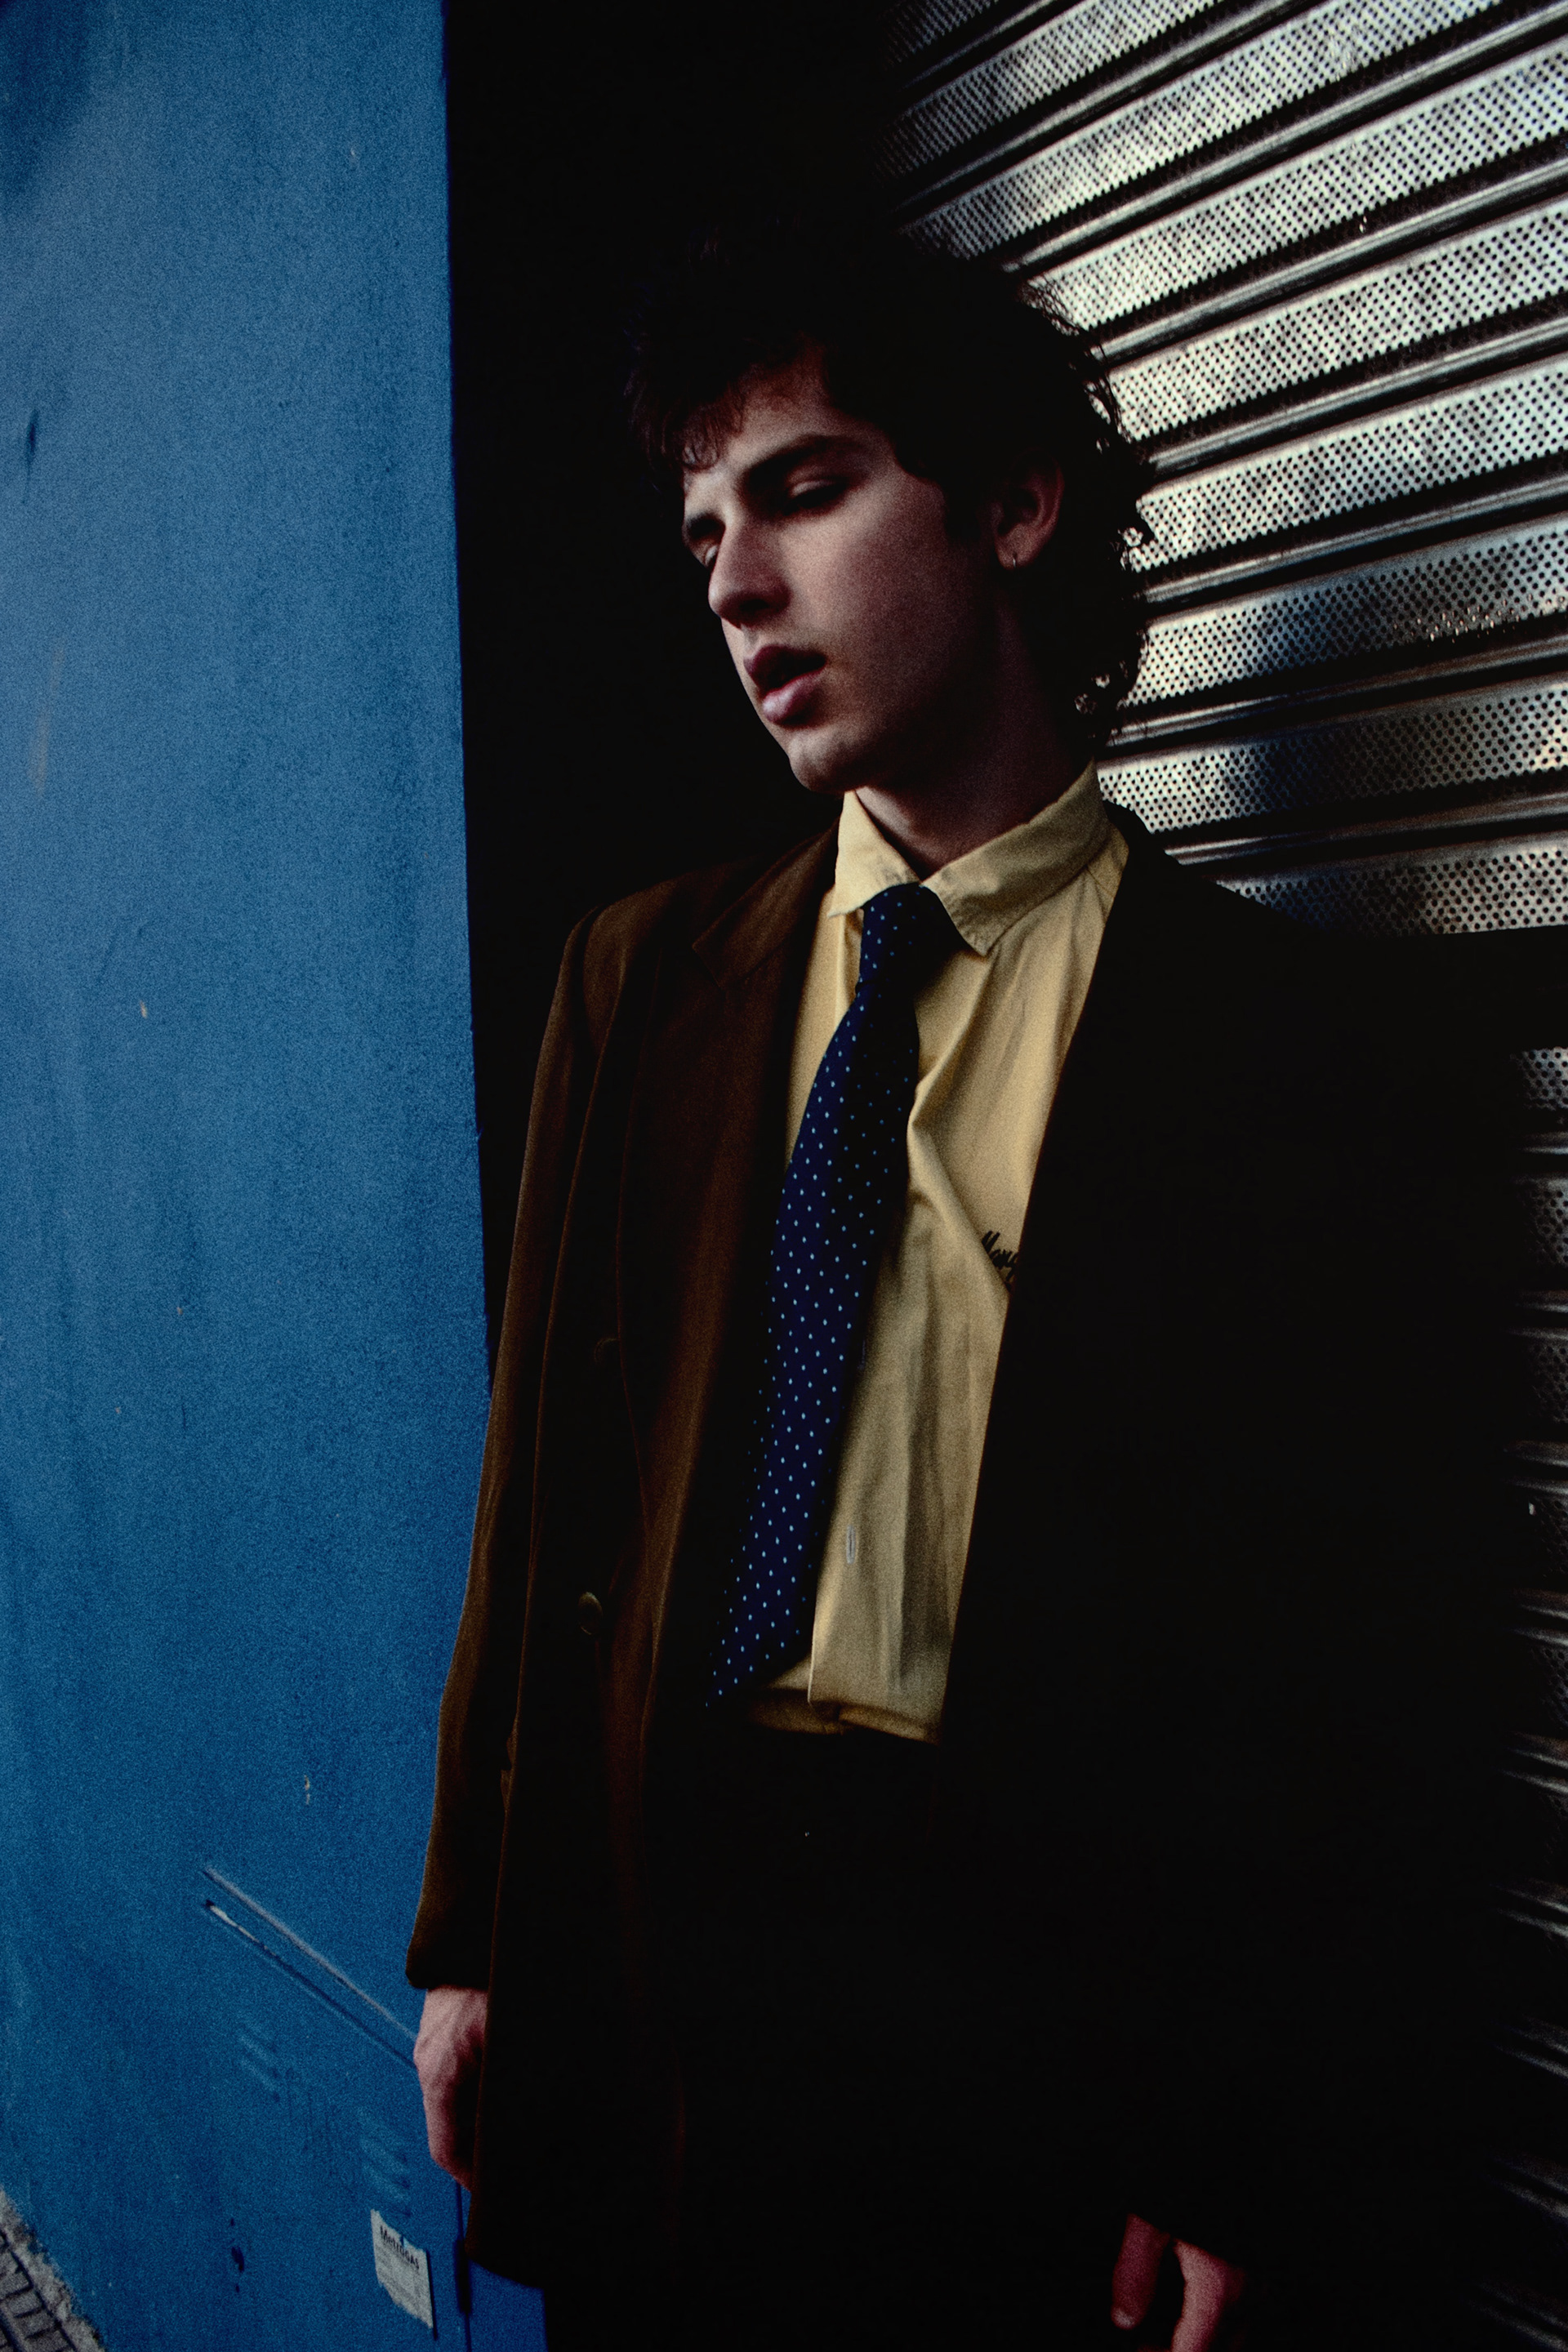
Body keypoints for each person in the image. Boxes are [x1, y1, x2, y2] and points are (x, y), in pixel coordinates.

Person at [408, 212, 1486, 2350]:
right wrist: (473, 1937)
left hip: (1028, 1980)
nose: (735, 583)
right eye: (704, 530)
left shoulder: (1278, 1043)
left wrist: (1245, 2118)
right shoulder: (643, 979)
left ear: (1012, 505)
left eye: (805, 489)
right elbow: (544, 1502)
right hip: (669, 1942)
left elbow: (1333, 1638)